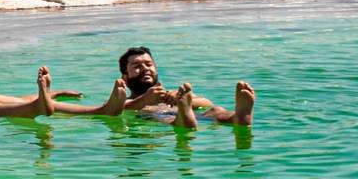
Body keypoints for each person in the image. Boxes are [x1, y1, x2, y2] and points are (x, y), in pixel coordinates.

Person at [46, 43, 255, 128]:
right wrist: (144, 101)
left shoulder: (175, 93)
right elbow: (111, 110)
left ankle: (240, 115)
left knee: (215, 110)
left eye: (149, 64)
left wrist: (180, 99)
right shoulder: (125, 100)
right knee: (160, 116)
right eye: (136, 66)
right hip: (160, 120)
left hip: (184, 111)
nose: (145, 69)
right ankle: (183, 117)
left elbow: (205, 102)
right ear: (125, 77)